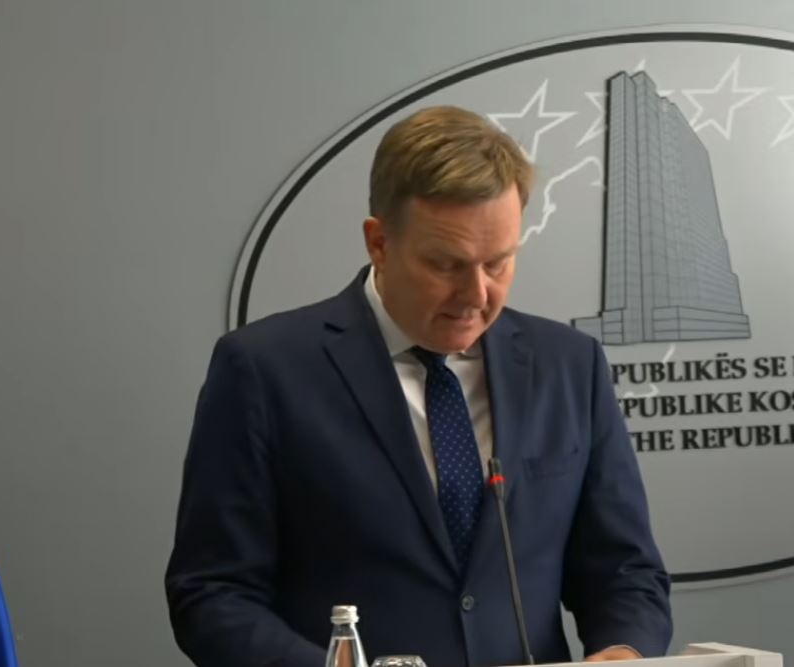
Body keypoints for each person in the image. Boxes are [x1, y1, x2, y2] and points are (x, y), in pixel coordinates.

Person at [165, 105, 672, 666]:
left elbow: (625, 571)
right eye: (446, 265)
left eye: (498, 263)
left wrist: (623, 651)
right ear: (379, 243)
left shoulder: (570, 364)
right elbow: (212, 594)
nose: (477, 295)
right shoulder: (263, 370)